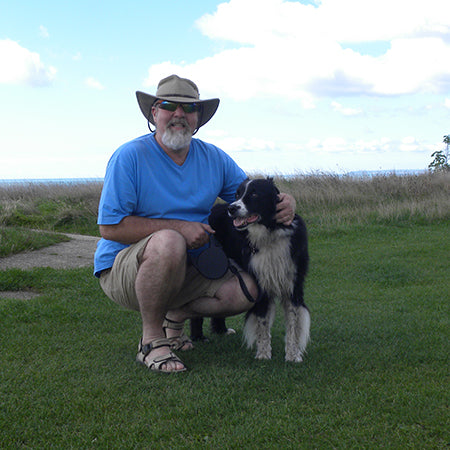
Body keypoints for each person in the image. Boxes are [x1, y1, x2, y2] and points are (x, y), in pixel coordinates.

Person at [94, 74, 297, 373]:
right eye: (168, 105)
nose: (179, 114)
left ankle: (174, 315)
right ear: (154, 113)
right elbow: (110, 228)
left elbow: (249, 195)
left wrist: (286, 201)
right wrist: (179, 227)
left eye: (189, 108)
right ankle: (151, 341)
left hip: (190, 266)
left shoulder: (213, 157)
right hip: (124, 268)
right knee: (169, 241)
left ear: (198, 118)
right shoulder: (129, 157)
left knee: (249, 291)